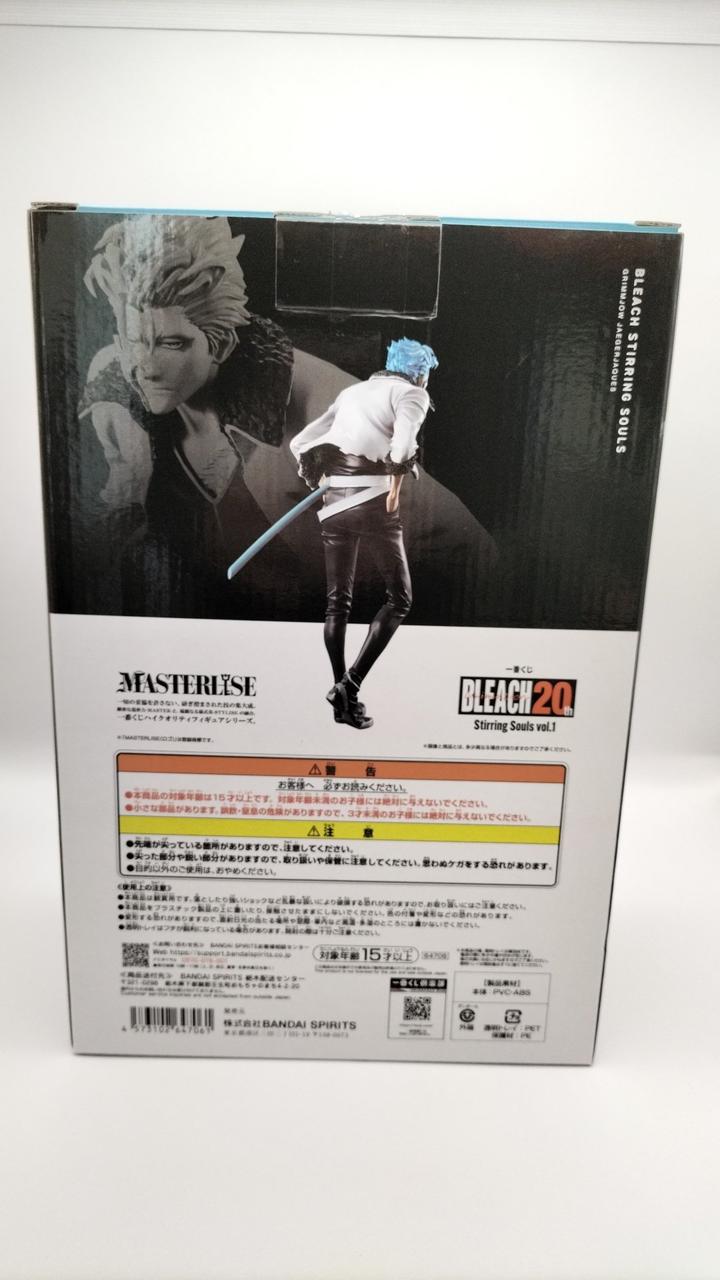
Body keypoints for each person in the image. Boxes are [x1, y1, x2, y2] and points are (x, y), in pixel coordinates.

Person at [80, 214, 495, 623]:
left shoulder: (325, 412)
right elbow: (116, 520)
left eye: (171, 344)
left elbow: (465, 552)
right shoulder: (114, 392)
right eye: (132, 340)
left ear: (220, 344)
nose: (145, 367)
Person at [289, 339, 438, 728]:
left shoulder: (352, 392)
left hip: (333, 501)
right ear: (418, 372)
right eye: (426, 373)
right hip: (374, 502)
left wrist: (320, 476)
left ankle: (341, 701)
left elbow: (300, 442)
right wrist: (398, 479)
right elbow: (401, 449)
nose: (426, 380)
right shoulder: (412, 394)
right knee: (400, 599)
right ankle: (350, 684)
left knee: (336, 605)